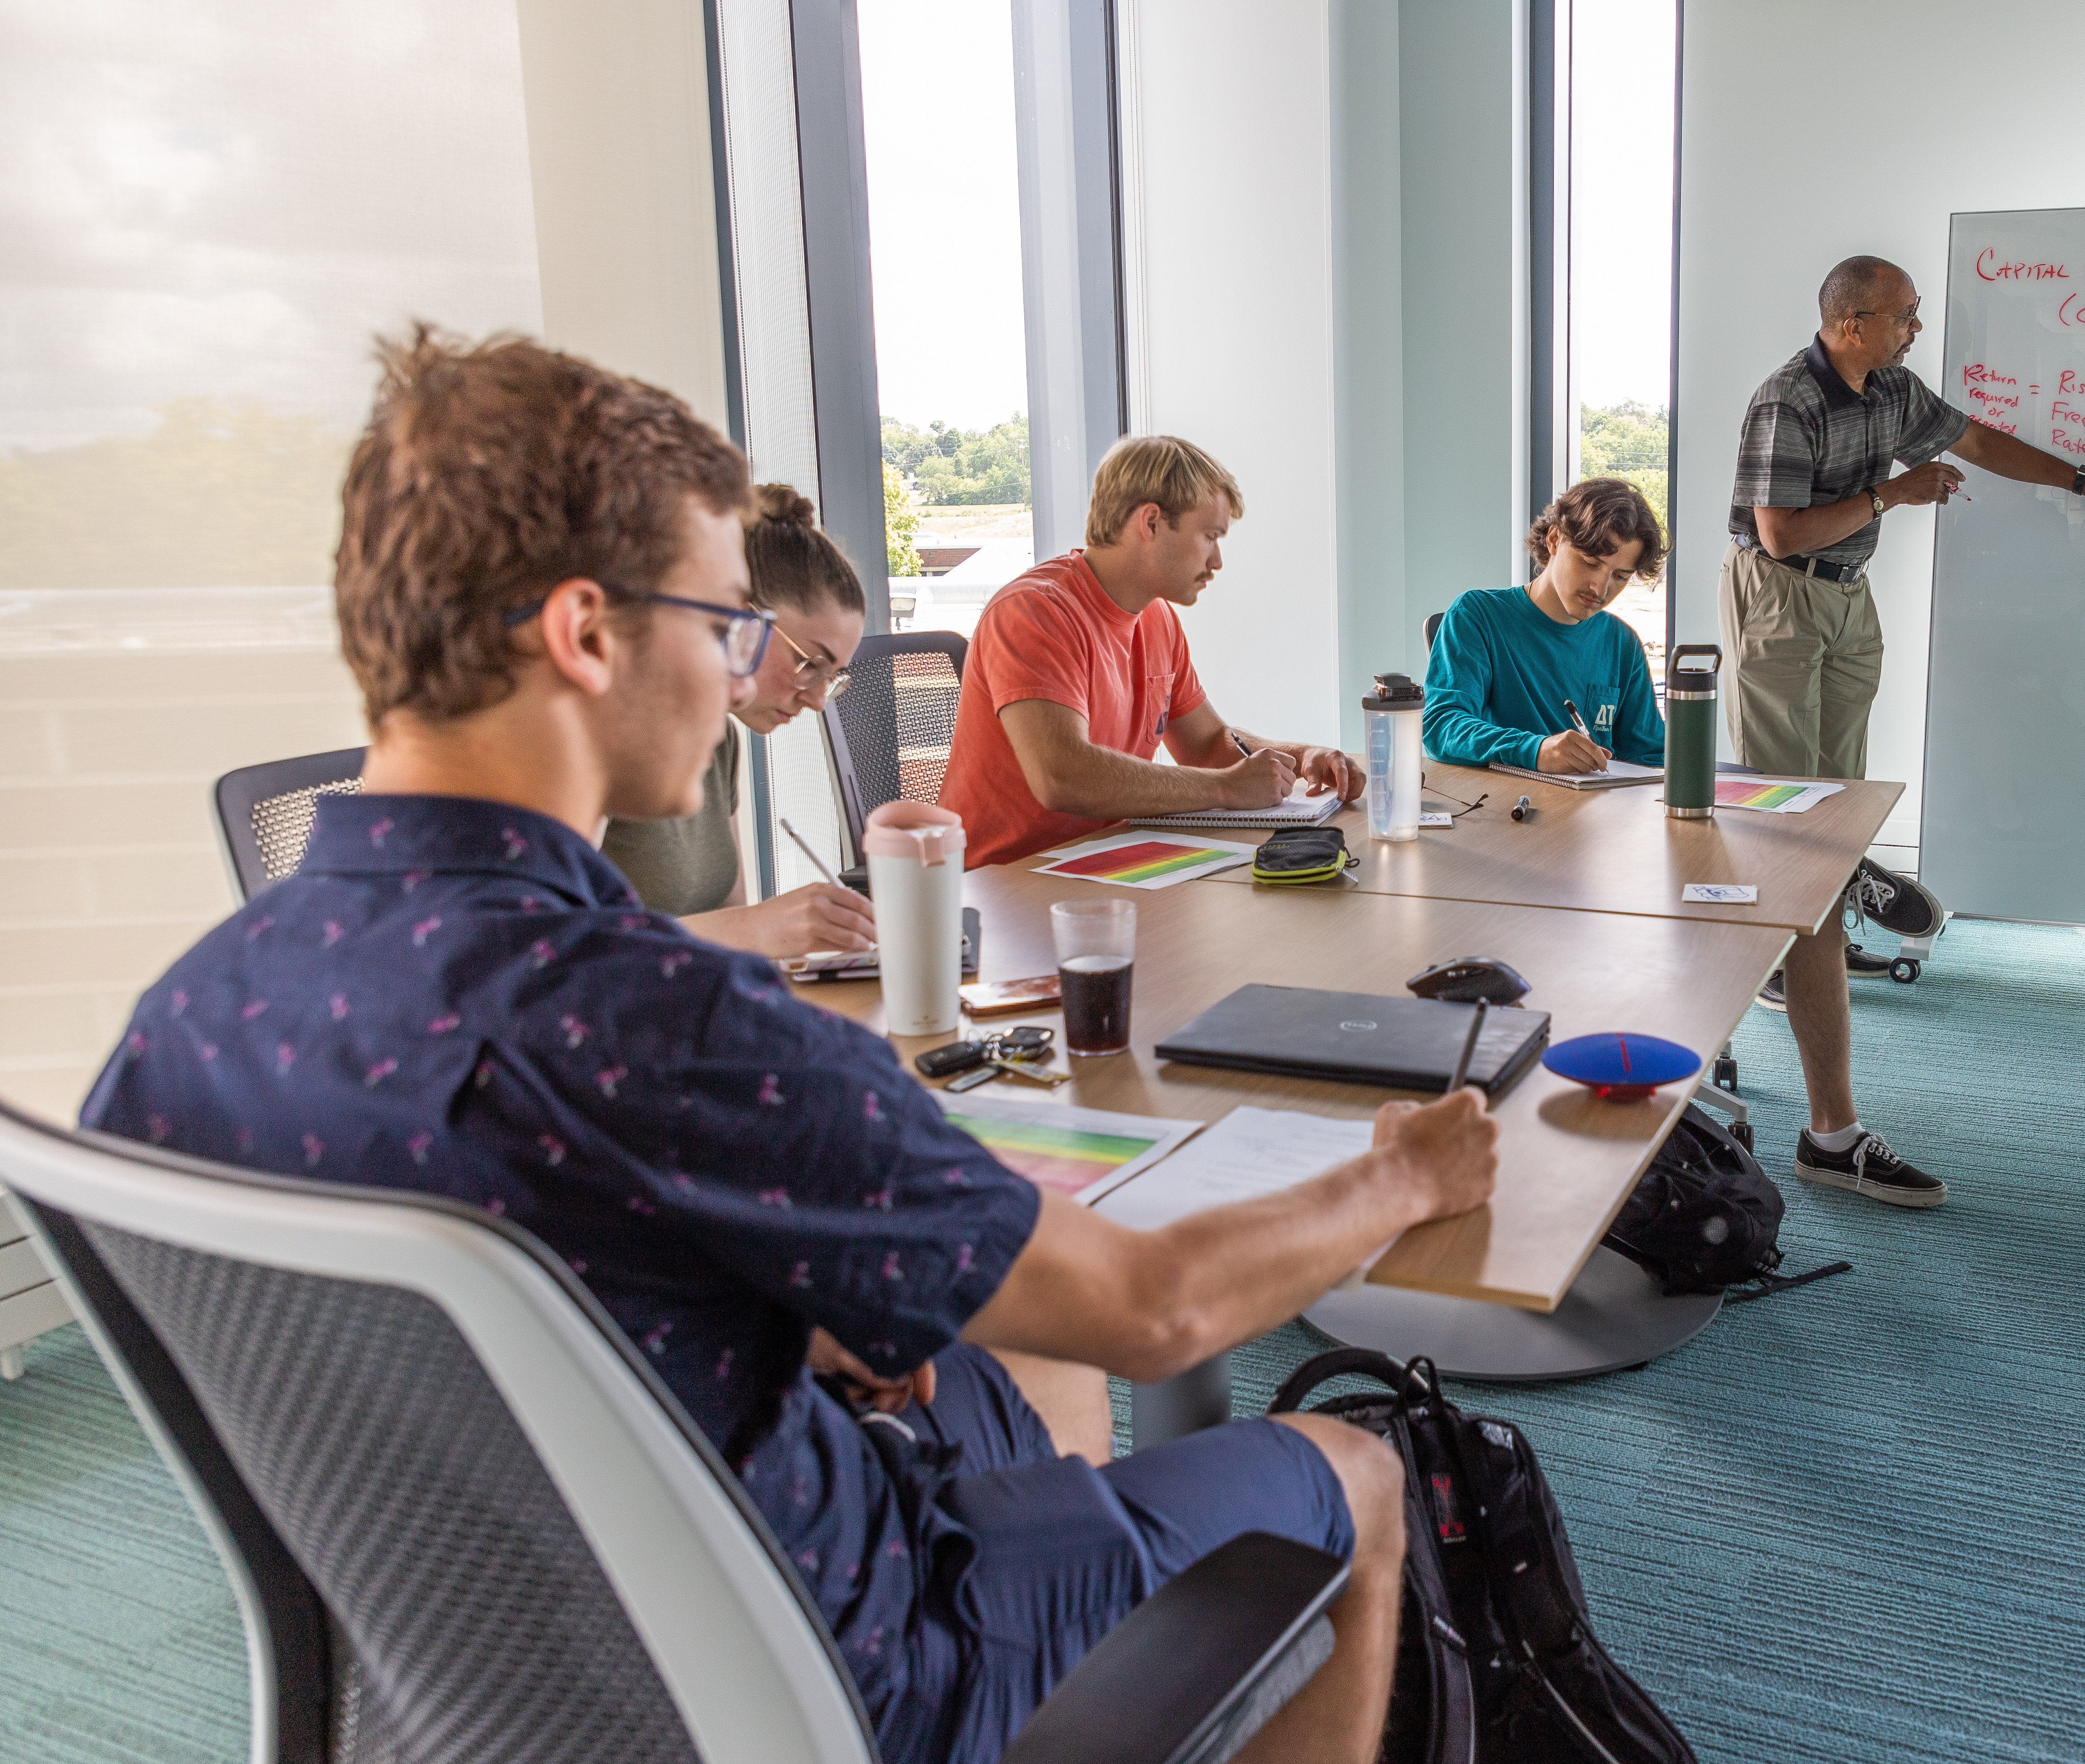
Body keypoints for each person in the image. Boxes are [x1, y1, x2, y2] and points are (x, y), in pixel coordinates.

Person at [81, 326, 1500, 1764]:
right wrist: (1398, 1174)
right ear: (585, 633)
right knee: (1352, 1473)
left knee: (1008, 1363)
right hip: (823, 1674)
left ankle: (1072, 1609)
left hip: (497, 1679)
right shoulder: (672, 1019)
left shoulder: (182, 1019)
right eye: (722, 623)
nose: (741, 672)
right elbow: (1156, 1309)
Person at [1722, 254, 2085, 1209]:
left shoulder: (1890, 392)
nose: (1914, 329)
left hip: (1847, 595)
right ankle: (1798, 946)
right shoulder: (1785, 399)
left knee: (1836, 807)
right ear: (1848, 323)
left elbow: (1978, 441)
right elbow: (1777, 536)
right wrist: (1891, 494)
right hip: (1778, 595)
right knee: (1788, 820)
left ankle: (1819, 920)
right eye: (1901, 316)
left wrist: (2082, 482)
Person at [940, 436, 1366, 870]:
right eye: (1209, 536)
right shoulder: (1033, 612)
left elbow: (1205, 745)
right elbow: (1060, 776)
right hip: (1007, 881)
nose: (1217, 561)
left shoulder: (1157, 617)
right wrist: (1224, 788)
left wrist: (1302, 756)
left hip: (1104, 860)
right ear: (1151, 523)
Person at [599, 482, 877, 959]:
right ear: (737, 617)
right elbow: (558, 957)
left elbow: (733, 922)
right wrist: (754, 928)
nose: (816, 701)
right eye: (809, 663)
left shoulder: (718, 737)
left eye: (831, 677)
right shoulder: (597, 740)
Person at [1422, 476, 1668, 775]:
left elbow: (1651, 756)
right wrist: (1535, 751)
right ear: (1553, 540)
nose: (1599, 588)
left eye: (1620, 576)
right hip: (1508, 809)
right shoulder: (1477, 616)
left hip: (1597, 813)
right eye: (1590, 563)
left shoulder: (1621, 642)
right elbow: (1442, 726)